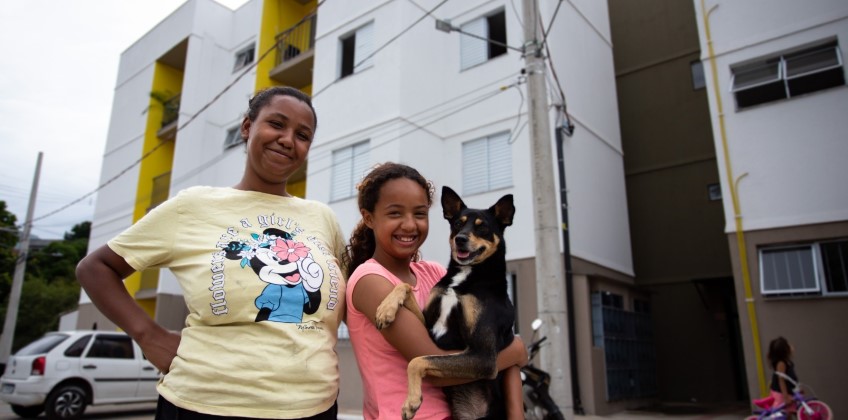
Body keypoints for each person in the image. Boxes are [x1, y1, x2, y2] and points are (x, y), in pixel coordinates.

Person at [75, 86, 347, 420]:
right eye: (276, 124)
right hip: (205, 405)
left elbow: (352, 299)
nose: (288, 140)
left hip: (314, 407)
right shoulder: (193, 206)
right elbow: (96, 267)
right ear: (247, 127)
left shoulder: (322, 218)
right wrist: (149, 336)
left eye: (302, 135)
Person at [343, 162, 527, 419]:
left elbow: (496, 340)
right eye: (395, 213)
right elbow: (433, 365)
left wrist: (517, 413)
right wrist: (516, 351)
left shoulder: (435, 274)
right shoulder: (370, 280)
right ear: (369, 217)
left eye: (419, 214)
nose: (409, 225)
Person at [768, 336, 798, 413]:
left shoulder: (787, 361)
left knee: (791, 412)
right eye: (788, 345)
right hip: (781, 393)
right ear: (785, 350)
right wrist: (785, 397)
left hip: (787, 391)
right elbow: (781, 380)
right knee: (785, 414)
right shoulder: (781, 363)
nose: (791, 345)